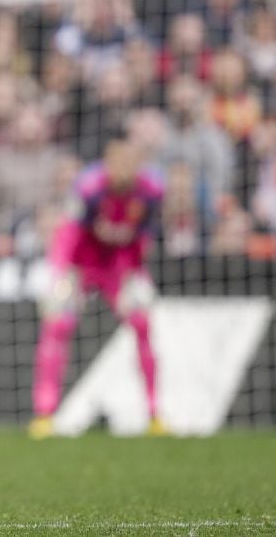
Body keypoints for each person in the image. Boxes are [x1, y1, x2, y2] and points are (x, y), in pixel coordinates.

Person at [29, 136, 165, 439]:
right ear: (108, 163)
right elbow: (69, 231)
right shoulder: (89, 188)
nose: (124, 170)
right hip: (81, 264)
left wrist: (136, 269)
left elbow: (145, 234)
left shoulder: (152, 190)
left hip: (121, 267)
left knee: (143, 324)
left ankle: (155, 415)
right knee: (58, 325)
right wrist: (59, 273)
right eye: (118, 163)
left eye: (131, 163)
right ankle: (44, 414)